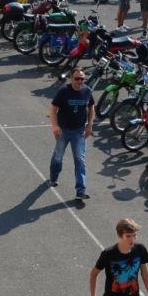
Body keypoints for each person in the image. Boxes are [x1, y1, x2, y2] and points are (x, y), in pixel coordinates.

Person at [49, 67, 94, 200]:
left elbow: (91, 107)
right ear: (71, 79)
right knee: (58, 156)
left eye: (82, 79)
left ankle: (81, 190)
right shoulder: (64, 91)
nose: (80, 81)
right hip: (63, 131)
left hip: (79, 131)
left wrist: (90, 125)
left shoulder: (87, 91)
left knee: (80, 160)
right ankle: (53, 177)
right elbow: (52, 110)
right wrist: (55, 126)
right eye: (77, 78)